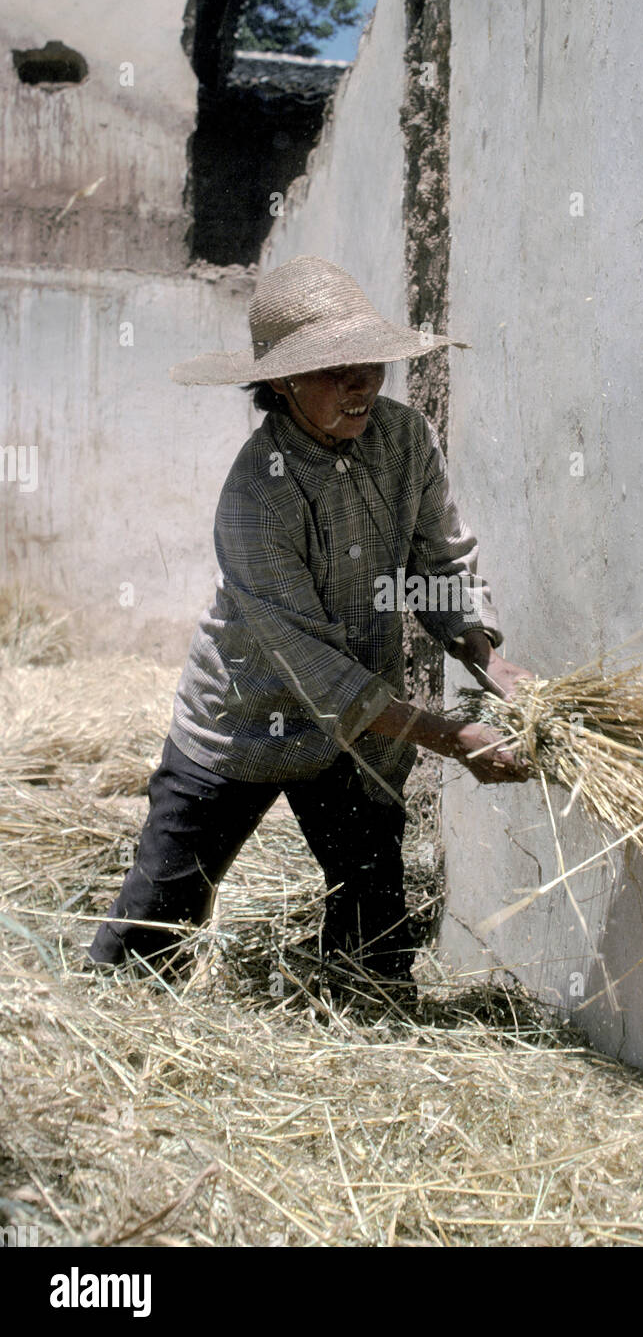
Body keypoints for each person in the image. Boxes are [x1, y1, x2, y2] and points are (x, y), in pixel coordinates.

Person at [88, 255, 532, 1007]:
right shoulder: (255, 497)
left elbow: (437, 565)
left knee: (376, 933)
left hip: (355, 734)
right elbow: (315, 673)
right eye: (333, 371)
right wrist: (454, 738)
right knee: (156, 920)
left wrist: (488, 657)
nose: (359, 383)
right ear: (283, 384)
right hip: (242, 723)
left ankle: (362, 1017)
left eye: (368, 363)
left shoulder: (403, 441)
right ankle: (111, 1017)